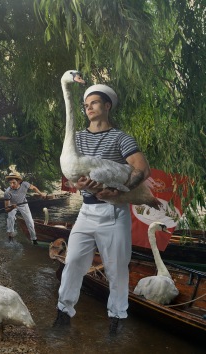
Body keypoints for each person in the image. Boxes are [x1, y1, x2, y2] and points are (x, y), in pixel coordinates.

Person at [53, 84, 152, 335]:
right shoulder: (76, 138)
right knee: (73, 261)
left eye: (94, 103)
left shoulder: (121, 138)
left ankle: (116, 321)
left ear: (107, 106)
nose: (88, 108)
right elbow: (71, 173)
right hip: (86, 212)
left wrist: (120, 193)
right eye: (85, 104)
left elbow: (141, 168)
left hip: (113, 213)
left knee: (116, 269)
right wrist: (79, 184)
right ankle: (63, 315)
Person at [4, 172, 47, 244]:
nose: (12, 185)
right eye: (10, 183)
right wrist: (12, 207)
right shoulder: (7, 192)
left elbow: (34, 188)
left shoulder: (25, 184)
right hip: (12, 205)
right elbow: (6, 209)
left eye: (14, 183)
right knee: (10, 218)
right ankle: (10, 237)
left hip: (23, 204)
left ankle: (34, 239)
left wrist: (41, 193)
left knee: (30, 221)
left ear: (19, 181)